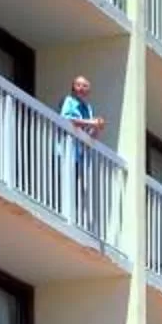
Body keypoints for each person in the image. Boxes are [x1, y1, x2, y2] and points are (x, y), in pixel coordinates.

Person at [58, 74, 102, 237]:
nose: (81, 88)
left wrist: (97, 128)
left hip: (79, 155)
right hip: (65, 151)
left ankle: (73, 218)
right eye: (78, 85)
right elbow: (66, 119)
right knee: (61, 183)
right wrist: (91, 123)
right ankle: (61, 214)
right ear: (73, 87)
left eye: (85, 86)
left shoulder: (88, 108)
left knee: (75, 189)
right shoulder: (69, 101)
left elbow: (90, 137)